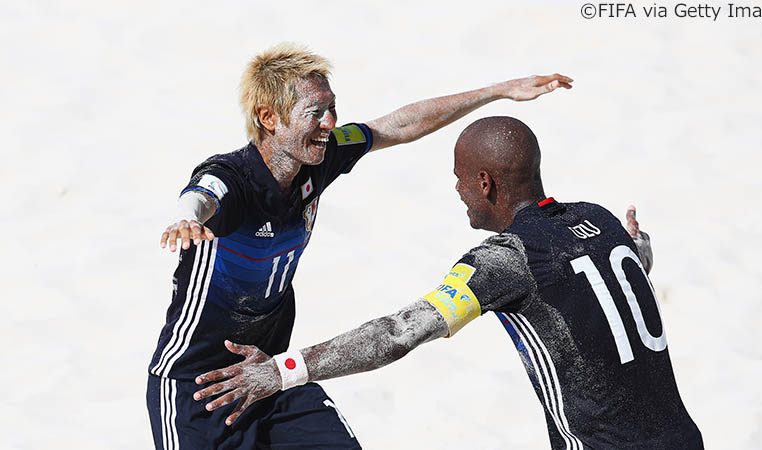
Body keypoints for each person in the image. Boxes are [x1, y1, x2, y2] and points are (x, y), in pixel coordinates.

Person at [147, 41, 573, 450]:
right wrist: (187, 216)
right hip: (198, 387)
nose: (330, 122)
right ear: (269, 117)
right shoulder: (235, 178)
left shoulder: (321, 156)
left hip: (269, 370)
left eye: (332, 107)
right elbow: (204, 192)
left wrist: (498, 91)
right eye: (316, 112)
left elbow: (398, 125)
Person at [194, 117, 703, 449]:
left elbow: (399, 333)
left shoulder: (506, 261)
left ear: (486, 183)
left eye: (461, 177)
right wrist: (643, 249)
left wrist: (282, 371)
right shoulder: (601, 220)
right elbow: (630, 263)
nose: (457, 188)